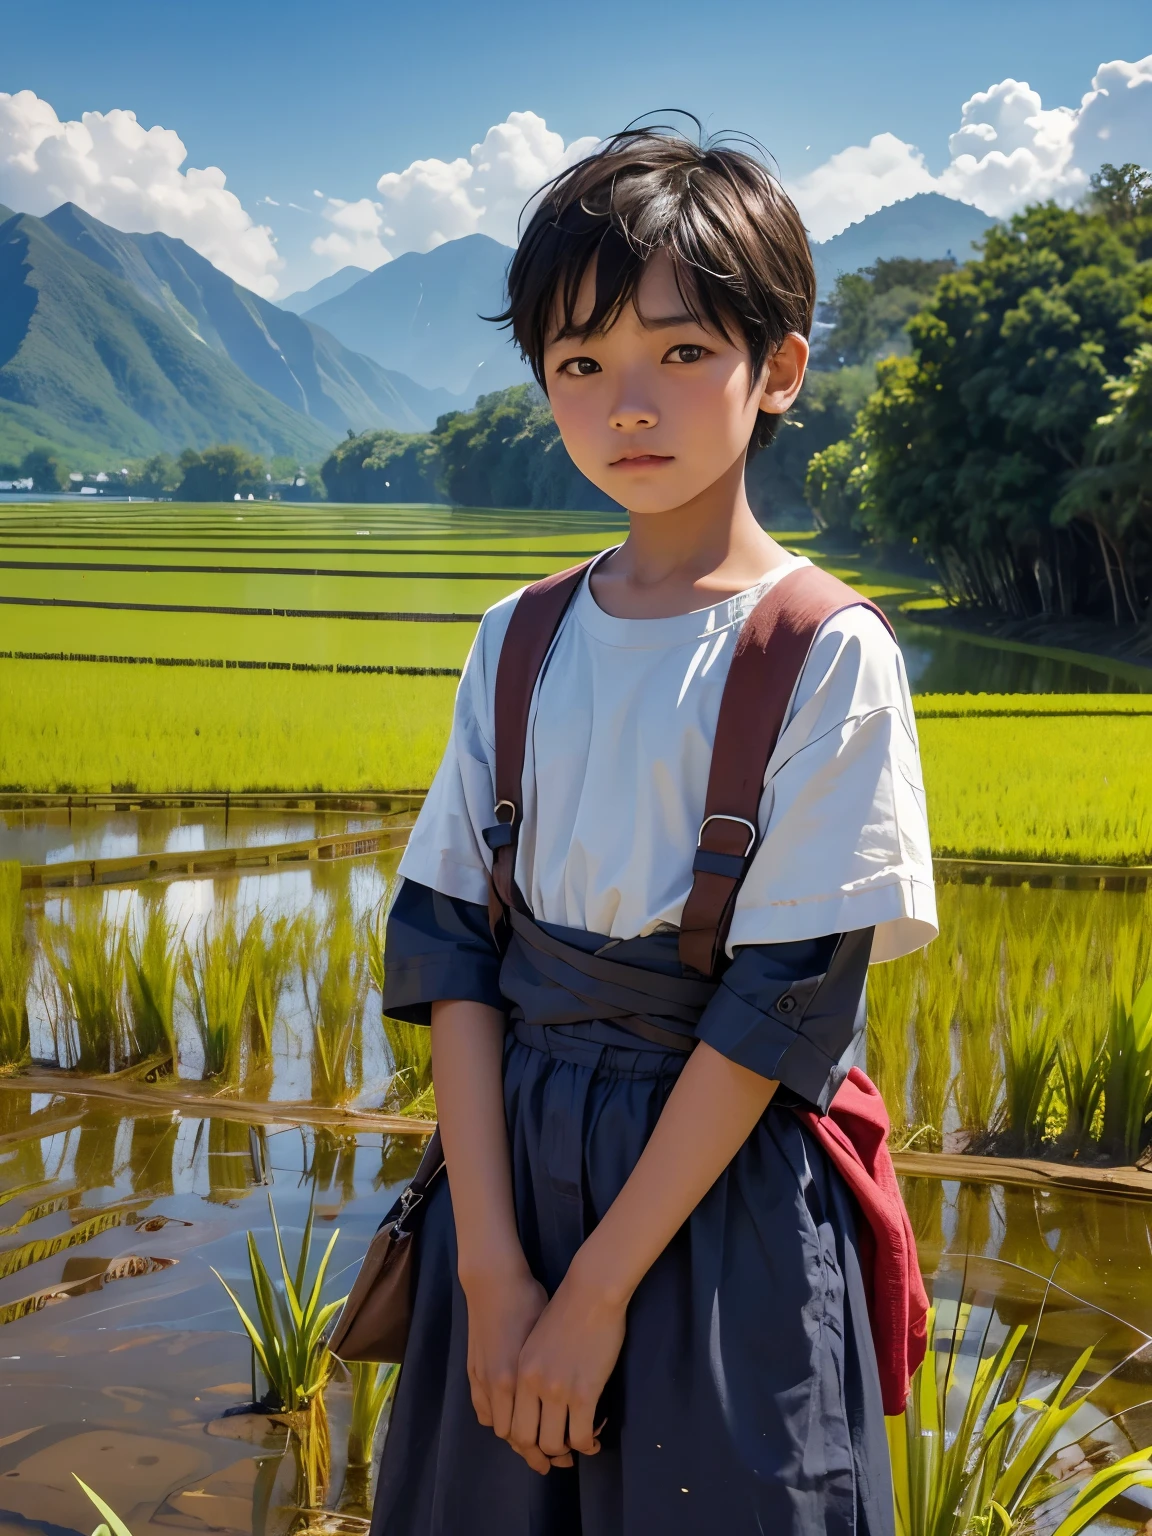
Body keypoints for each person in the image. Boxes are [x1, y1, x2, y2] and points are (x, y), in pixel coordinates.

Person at [370, 125, 938, 1536]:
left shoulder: (819, 649)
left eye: (681, 353)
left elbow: (779, 1011)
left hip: (716, 1206)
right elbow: (453, 955)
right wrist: (498, 1279)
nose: (629, 402)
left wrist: (597, 1295)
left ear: (781, 369)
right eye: (579, 364)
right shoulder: (517, 639)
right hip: (504, 1182)